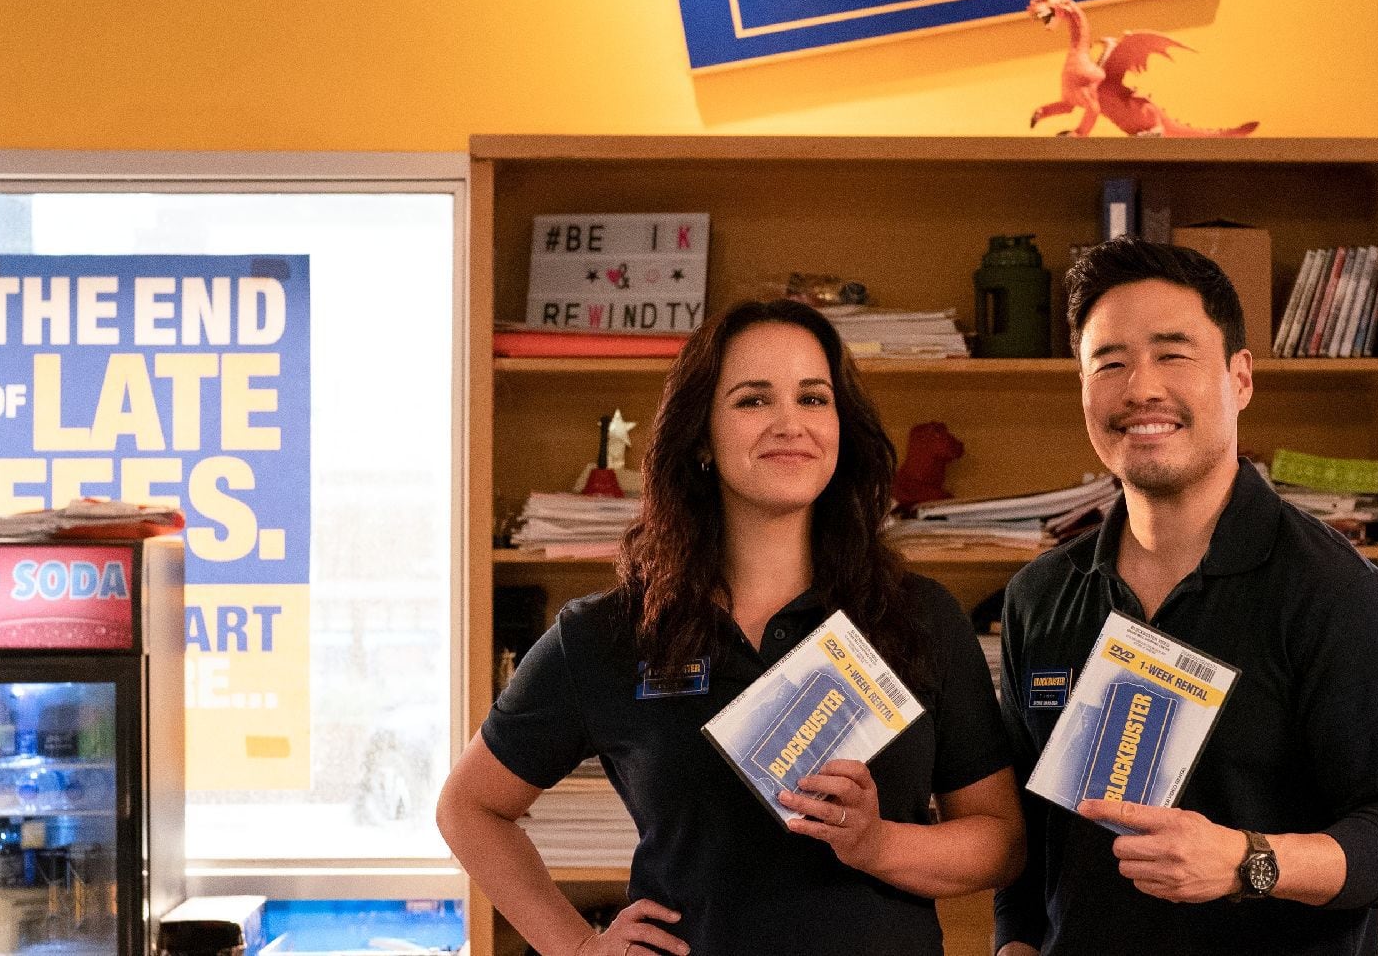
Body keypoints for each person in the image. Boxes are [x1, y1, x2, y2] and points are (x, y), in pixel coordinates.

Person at [438, 299, 1024, 956]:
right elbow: (468, 808)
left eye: (813, 398)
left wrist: (878, 843)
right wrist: (578, 947)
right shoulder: (610, 634)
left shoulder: (920, 617)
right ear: (700, 439)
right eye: (753, 400)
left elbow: (1001, 843)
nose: (789, 424)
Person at [994, 240, 1378, 955]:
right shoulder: (1038, 598)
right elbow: (1027, 835)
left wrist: (1247, 861)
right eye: (1109, 362)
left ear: (1240, 379)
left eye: (1173, 354)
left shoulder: (1339, 596)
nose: (1141, 388)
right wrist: (1013, 944)